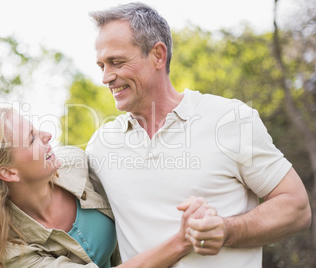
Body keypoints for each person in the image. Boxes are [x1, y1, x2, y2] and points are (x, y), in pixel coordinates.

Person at [86, 2, 312, 267]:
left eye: (117, 62)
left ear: (158, 55)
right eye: (101, 65)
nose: (106, 77)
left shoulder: (228, 119)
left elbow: (296, 207)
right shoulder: (100, 146)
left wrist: (228, 230)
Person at [0, 106, 216, 268]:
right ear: (9, 172)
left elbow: (141, 185)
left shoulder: (75, 163)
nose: (48, 135)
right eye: (33, 138)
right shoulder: (11, 253)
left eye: (38, 128)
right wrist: (182, 240)